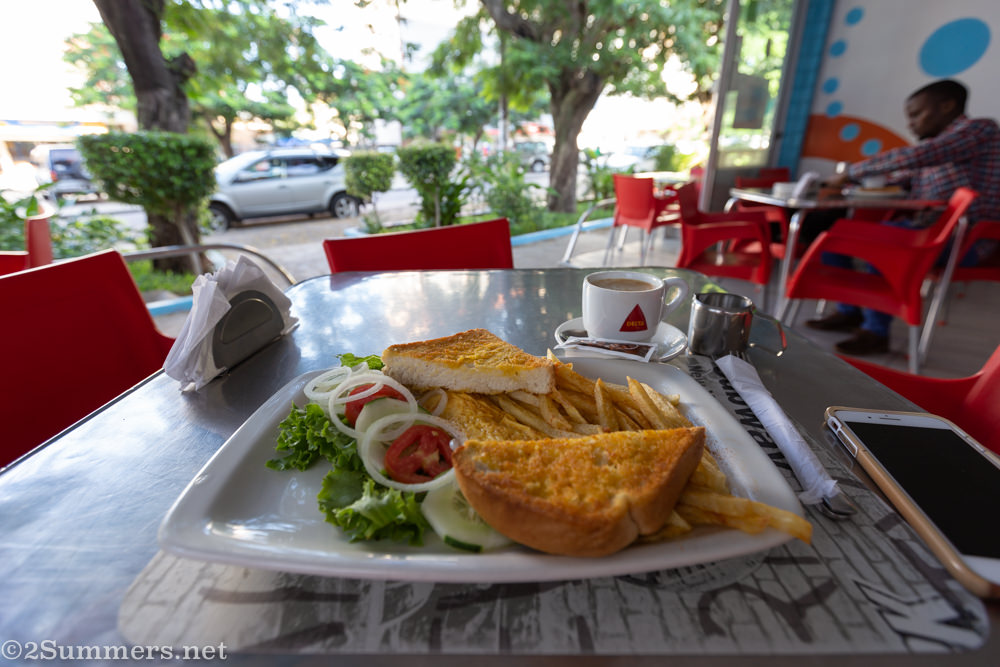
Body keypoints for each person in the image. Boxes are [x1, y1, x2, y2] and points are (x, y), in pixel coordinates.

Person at [805, 78, 1000, 356]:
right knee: (837, 232)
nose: (911, 124)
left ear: (947, 106)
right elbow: (904, 177)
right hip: (930, 231)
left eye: (917, 114)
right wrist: (852, 187)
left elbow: (922, 155)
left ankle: (876, 331)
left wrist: (851, 173)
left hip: (967, 241)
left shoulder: (979, 130)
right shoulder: (940, 148)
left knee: (887, 242)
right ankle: (850, 311)